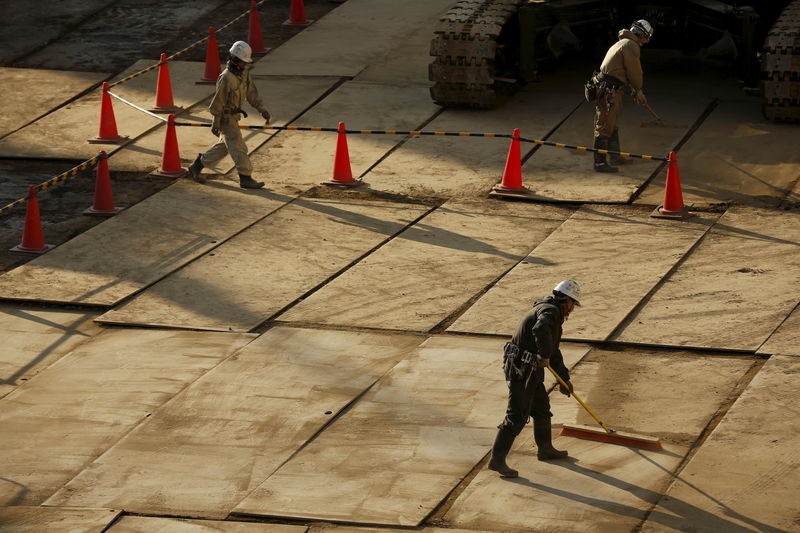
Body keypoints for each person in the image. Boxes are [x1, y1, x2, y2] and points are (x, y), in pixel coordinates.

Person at [488, 280, 581, 478]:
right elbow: (540, 331)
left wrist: (564, 380)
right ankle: (497, 460)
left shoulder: (547, 309)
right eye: (573, 304)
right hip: (522, 371)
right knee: (516, 416)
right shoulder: (550, 312)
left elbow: (553, 351)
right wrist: (544, 355)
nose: (572, 309)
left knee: (541, 410)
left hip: (530, 371)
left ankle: (545, 449)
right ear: (568, 301)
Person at [189, 40, 271, 189]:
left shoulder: (244, 74)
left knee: (225, 146)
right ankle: (245, 177)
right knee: (238, 146)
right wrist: (215, 123)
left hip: (235, 116)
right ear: (234, 59)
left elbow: (252, 93)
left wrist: (262, 109)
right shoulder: (226, 77)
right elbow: (217, 102)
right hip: (225, 118)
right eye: (242, 62)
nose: (244, 65)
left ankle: (197, 165)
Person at [592, 19, 653, 173]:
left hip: (612, 89)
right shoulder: (631, 46)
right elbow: (634, 72)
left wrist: (633, 90)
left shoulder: (622, 43)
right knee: (605, 125)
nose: (645, 42)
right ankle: (599, 163)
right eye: (646, 37)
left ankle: (615, 157)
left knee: (612, 124)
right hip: (609, 90)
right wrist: (638, 89)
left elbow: (622, 71)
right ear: (640, 34)